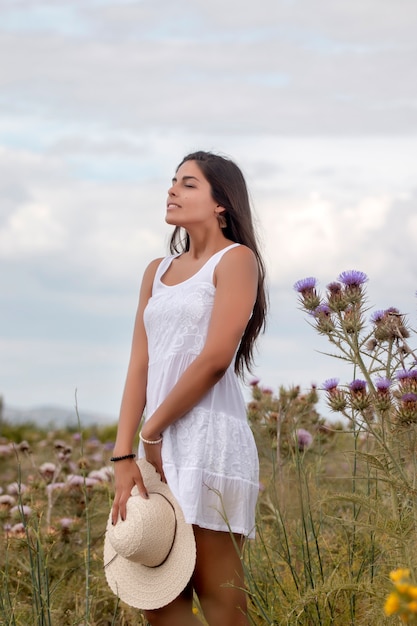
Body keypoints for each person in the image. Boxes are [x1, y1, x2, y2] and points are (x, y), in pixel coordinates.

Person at [110, 150, 267, 626]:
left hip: (208, 439)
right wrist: (122, 456)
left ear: (222, 203)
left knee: (219, 599)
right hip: (153, 445)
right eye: (173, 181)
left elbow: (216, 360)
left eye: (189, 183)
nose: (173, 189)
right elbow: (140, 365)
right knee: (156, 599)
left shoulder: (236, 261)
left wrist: (150, 431)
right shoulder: (156, 271)